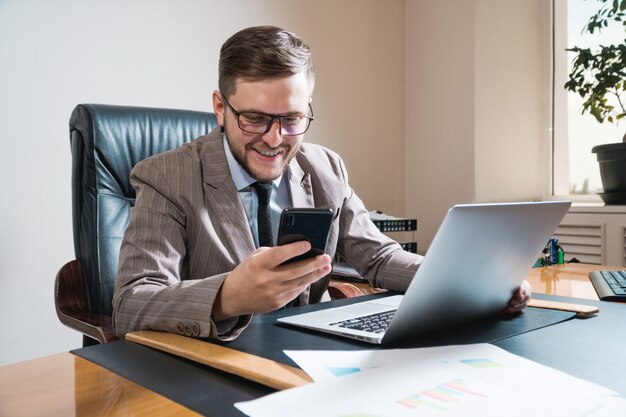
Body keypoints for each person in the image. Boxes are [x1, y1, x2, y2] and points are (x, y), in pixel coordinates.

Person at [112, 25, 531, 341]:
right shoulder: (166, 176)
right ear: (220, 107)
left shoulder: (326, 167)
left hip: (312, 357)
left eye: (292, 119)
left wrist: (472, 280)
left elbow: (380, 259)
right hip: (216, 363)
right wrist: (228, 296)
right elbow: (131, 303)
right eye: (254, 118)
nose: (274, 139)